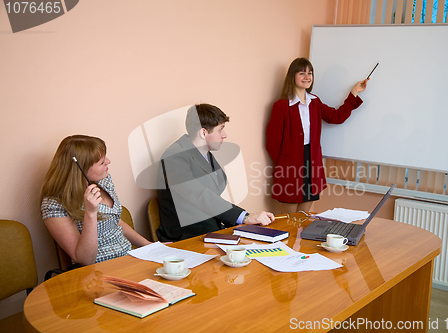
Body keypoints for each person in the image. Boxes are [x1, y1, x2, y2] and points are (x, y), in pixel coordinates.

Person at [157, 103, 275, 241]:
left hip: (212, 228)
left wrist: (242, 220)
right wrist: (244, 217)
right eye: (220, 130)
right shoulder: (174, 156)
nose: (224, 135)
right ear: (203, 133)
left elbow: (212, 196)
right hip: (188, 235)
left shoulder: (203, 152)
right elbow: (199, 195)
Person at [266, 57, 368, 214]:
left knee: (304, 218)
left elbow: (337, 117)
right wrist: (284, 164)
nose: (307, 77)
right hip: (290, 166)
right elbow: (272, 142)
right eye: (302, 73)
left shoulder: (315, 102)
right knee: (288, 222)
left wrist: (354, 92)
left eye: (310, 73)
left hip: (312, 165)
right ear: (292, 76)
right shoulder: (281, 105)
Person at [41, 135, 152, 266]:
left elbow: (118, 223)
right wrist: (91, 213)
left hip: (127, 258)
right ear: (80, 169)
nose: (108, 161)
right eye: (101, 162)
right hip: (98, 270)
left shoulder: (103, 181)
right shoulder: (54, 205)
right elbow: (84, 259)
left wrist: (150, 247)